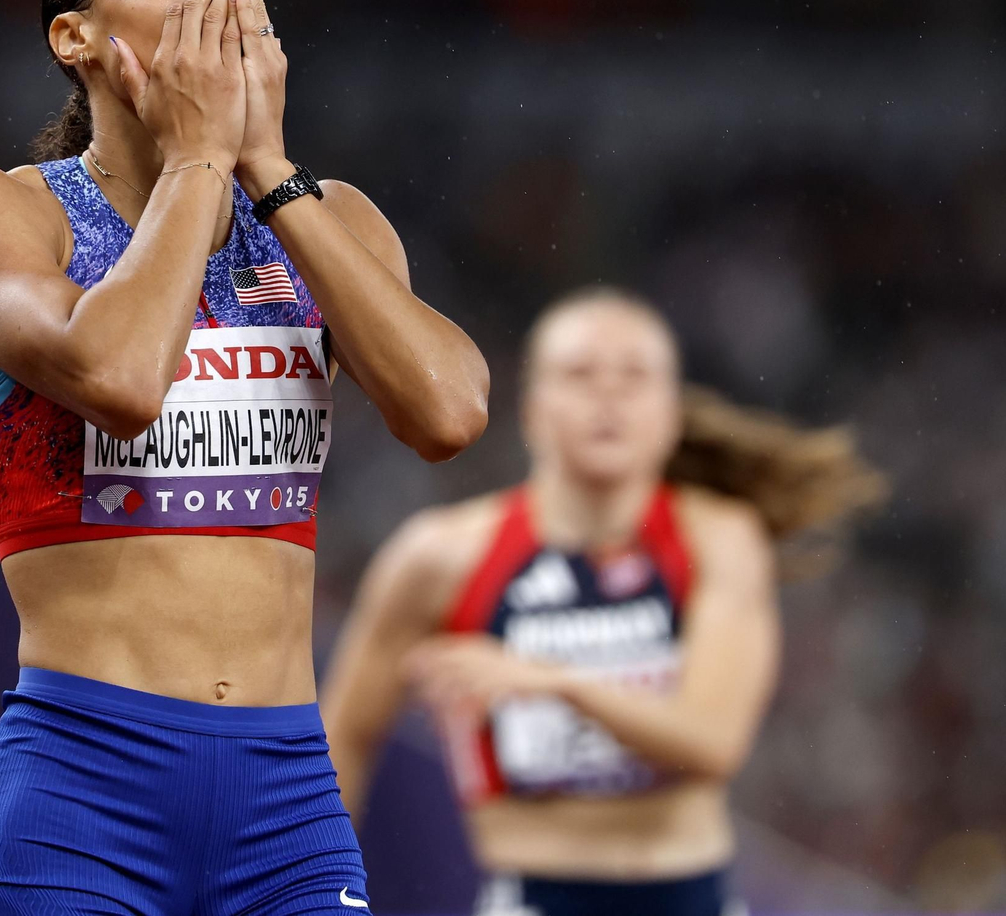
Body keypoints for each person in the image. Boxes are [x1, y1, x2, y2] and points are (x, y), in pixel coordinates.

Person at [0, 0, 490, 916]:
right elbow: (123, 379)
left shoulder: (327, 217)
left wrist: (264, 166)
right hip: (76, 792)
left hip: (288, 805)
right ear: (75, 37)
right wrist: (195, 155)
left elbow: (447, 413)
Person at [320, 286, 886, 916]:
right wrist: (321, 898)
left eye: (635, 376)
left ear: (670, 412)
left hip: (690, 896)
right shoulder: (438, 556)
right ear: (533, 407)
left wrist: (550, 681)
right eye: (580, 374)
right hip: (531, 895)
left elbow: (712, 744)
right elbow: (339, 743)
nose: (608, 396)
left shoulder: (718, 539)